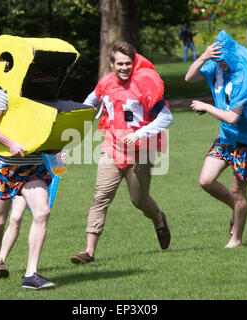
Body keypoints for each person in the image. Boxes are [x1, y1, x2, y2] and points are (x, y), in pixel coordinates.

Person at [70, 42, 173, 264]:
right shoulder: (105, 83)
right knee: (101, 197)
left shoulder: (145, 84)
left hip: (141, 152)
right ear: (112, 63)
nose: (124, 67)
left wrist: (140, 134)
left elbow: (166, 117)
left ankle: (158, 218)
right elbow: (90, 103)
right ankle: (88, 252)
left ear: (133, 63)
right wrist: (76, 116)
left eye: (128, 63)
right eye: (120, 63)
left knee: (139, 200)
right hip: (112, 148)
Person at [0, 56, 57, 289]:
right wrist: (10, 143)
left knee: (42, 211)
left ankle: (31, 274)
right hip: (5, 166)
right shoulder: (5, 94)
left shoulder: (44, 96)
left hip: (33, 165)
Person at [184, 30, 247, 248]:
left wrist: (206, 106)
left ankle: (236, 239)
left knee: (239, 191)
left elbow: (232, 117)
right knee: (206, 181)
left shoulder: (245, 77)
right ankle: (237, 208)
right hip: (226, 139)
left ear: (232, 56)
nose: (222, 66)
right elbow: (189, 78)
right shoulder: (216, 67)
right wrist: (204, 57)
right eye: (218, 61)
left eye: (224, 61)